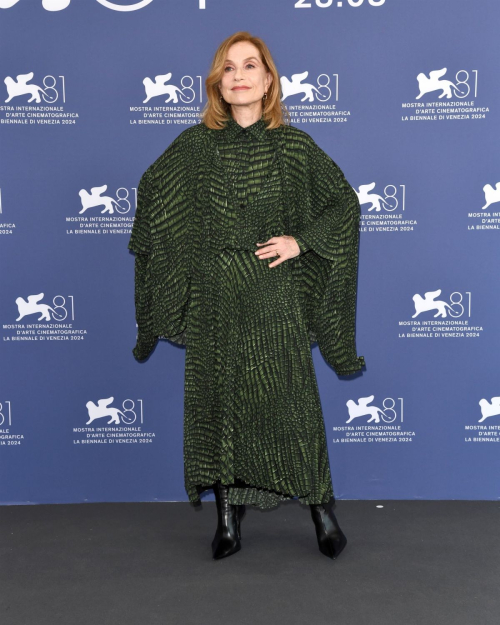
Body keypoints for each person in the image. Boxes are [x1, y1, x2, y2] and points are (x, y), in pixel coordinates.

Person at [128, 31, 365, 561]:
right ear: (218, 83)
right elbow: (154, 197)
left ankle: (323, 512)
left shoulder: (294, 145)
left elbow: (344, 205)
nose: (238, 75)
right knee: (219, 404)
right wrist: (182, 246)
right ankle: (227, 520)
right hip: (215, 296)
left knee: (293, 406)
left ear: (267, 81)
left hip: (273, 294)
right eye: (228, 68)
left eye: (249, 66)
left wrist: (300, 242)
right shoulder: (194, 146)